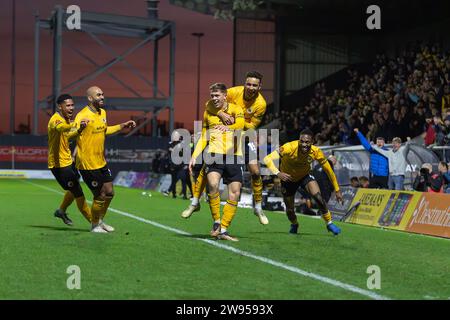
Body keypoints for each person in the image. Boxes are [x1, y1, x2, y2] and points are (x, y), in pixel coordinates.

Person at [182, 71, 269, 225]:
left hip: (242, 136)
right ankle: (195, 201)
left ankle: (258, 206)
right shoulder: (233, 92)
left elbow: (252, 126)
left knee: (256, 171)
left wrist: (236, 120)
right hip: (220, 137)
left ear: (259, 86)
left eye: (254, 85)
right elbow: (211, 104)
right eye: (248, 84)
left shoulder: (261, 104)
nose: (250, 87)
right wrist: (221, 114)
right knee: (205, 168)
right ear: (244, 84)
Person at [74, 86, 136, 233]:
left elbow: (104, 129)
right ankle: (94, 225)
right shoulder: (82, 115)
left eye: (102, 94)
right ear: (90, 98)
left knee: (110, 193)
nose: (102, 97)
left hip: (100, 161)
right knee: (100, 194)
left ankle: (100, 220)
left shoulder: (102, 112)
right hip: (88, 164)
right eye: (98, 95)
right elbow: (72, 132)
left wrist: (122, 125)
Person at [188, 83, 245, 241]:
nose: (213, 98)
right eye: (212, 96)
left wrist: (230, 128)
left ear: (225, 96)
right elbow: (204, 135)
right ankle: (216, 221)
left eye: (217, 95)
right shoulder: (209, 112)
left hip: (234, 155)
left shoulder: (235, 108)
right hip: (214, 154)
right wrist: (194, 155)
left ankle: (224, 229)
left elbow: (241, 124)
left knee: (235, 193)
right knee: (212, 185)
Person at [264, 129, 343, 235]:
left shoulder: (316, 152)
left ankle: (329, 223)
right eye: (302, 141)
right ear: (299, 140)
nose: (304, 144)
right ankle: (294, 224)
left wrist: (337, 190)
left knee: (319, 198)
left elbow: (329, 171)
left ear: (312, 142)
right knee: (290, 210)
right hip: (288, 179)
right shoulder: (289, 147)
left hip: (304, 176)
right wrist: (278, 173)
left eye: (307, 142)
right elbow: (267, 159)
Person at [48, 94, 91, 225]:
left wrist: (80, 129)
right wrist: (76, 124)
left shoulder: (66, 119)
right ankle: (94, 222)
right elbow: (61, 128)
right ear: (59, 106)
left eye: (72, 105)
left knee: (74, 188)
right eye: (68, 105)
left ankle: (61, 211)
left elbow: (67, 136)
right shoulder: (56, 119)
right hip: (58, 164)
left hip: (68, 161)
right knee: (77, 191)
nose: (71, 108)